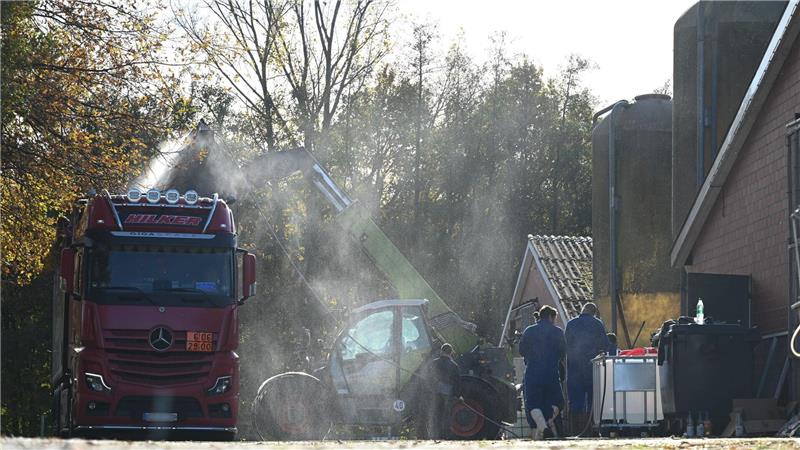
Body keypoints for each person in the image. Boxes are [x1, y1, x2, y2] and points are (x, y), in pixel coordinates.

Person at [519, 305, 566, 440]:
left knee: (533, 403)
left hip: (532, 372)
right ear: (551, 317)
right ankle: (549, 421)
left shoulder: (529, 331)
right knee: (559, 401)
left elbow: (522, 351)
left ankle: (544, 428)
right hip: (551, 372)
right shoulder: (558, 332)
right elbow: (563, 352)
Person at [565, 302, 608, 435]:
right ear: (594, 312)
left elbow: (565, 345)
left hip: (574, 368)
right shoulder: (597, 324)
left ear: (583, 310)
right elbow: (605, 345)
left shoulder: (571, 324)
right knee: (593, 398)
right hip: (591, 367)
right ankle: (592, 430)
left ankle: (575, 431)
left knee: (575, 399)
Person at [429, 343, 461, 439]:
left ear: (441, 351)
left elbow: (429, 377)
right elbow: (457, 382)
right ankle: (445, 436)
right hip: (448, 392)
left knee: (436, 413)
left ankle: (434, 435)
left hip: (436, 392)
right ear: (451, 352)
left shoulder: (434, 363)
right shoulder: (454, 366)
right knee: (446, 414)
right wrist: (458, 395)